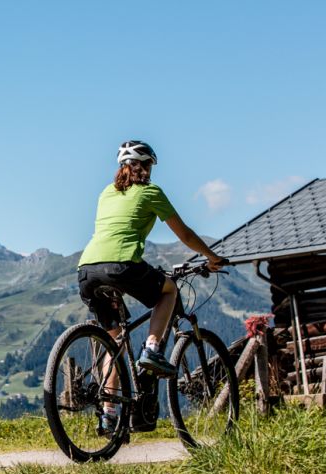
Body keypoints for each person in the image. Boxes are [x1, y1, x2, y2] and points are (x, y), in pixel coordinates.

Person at [77, 140, 224, 434]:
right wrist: (212, 257)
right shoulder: (151, 192)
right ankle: (153, 350)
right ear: (146, 167)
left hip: (87, 271)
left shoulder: (106, 192)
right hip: (122, 266)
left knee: (115, 342)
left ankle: (108, 414)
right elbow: (184, 233)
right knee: (168, 291)